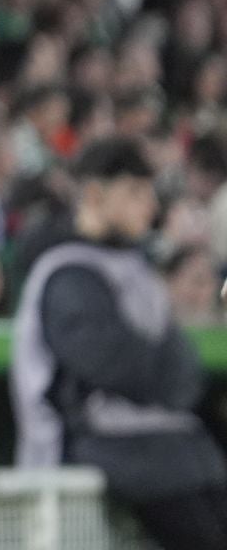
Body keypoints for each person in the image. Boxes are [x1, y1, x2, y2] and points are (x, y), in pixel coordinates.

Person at [16, 138, 227, 549]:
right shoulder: (67, 271)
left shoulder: (134, 267)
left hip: (160, 440)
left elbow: (183, 364)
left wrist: (166, 377)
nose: (147, 205)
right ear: (94, 195)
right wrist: (165, 377)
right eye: (133, 192)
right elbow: (117, 365)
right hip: (92, 441)